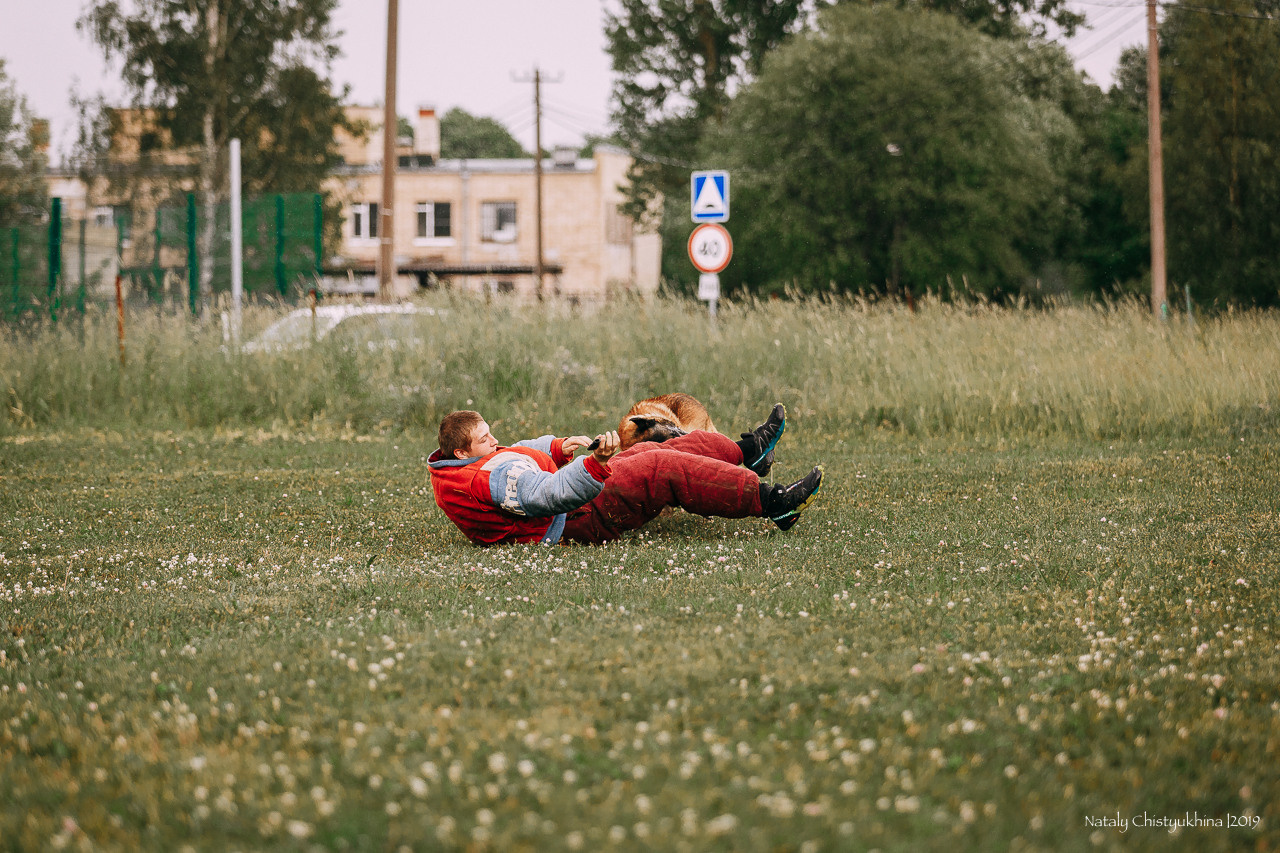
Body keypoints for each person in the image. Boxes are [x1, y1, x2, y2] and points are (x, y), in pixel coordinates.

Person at [428, 403, 823, 546]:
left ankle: (748, 452)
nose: (494, 440)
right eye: (485, 438)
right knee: (659, 467)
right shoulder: (487, 478)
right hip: (574, 519)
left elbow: (514, 453)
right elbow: (545, 496)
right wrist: (593, 464)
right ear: (462, 451)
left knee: (653, 448)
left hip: (572, 504)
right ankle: (773, 503)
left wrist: (556, 445)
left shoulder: (470, 463)